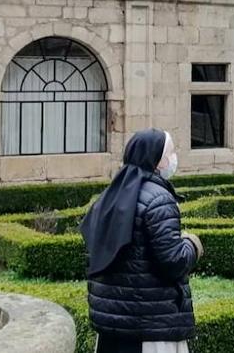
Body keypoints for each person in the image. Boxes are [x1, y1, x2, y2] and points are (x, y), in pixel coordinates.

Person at [81, 128, 203, 353]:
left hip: (112, 324)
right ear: (156, 161)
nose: (173, 159)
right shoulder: (158, 199)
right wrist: (192, 244)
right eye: (170, 154)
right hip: (149, 327)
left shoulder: (109, 196)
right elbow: (173, 262)